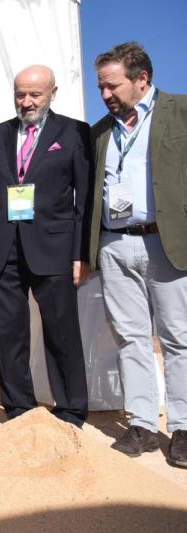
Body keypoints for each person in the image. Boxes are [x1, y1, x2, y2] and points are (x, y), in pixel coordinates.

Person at [85, 42, 187, 467]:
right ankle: (143, 423)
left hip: (169, 241)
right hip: (114, 244)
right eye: (100, 87)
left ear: (141, 79)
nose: (105, 94)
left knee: (179, 339)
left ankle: (182, 428)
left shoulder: (181, 111)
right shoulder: (99, 133)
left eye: (112, 85)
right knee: (130, 339)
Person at [0, 65, 90, 427]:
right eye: (20, 94)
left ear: (53, 93)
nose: (26, 101)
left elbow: (84, 201)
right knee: (8, 333)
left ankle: (71, 409)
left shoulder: (75, 133)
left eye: (35, 94)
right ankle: (18, 409)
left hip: (55, 249)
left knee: (62, 332)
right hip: (3, 251)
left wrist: (81, 253)